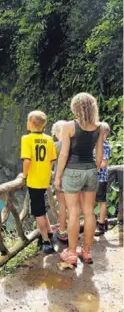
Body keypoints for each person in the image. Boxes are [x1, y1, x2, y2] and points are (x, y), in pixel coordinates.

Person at [54, 93, 104, 265]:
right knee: (89, 212)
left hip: (72, 172)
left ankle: (73, 253)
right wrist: (93, 169)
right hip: (90, 170)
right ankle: (87, 252)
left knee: (74, 212)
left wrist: (58, 176)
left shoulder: (69, 126)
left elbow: (64, 154)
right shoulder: (99, 127)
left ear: (75, 107)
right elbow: (99, 154)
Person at [18, 110, 57, 254]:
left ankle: (46, 241)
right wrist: (46, 174)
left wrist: (24, 176)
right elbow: (51, 161)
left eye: (27, 121)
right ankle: (50, 231)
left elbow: (27, 160)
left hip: (34, 180)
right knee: (42, 207)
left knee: (38, 212)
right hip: (44, 179)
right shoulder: (49, 139)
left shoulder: (26, 139)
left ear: (31, 123)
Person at [51, 120, 68, 242]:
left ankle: (62, 230)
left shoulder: (56, 146)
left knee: (62, 205)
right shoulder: (74, 143)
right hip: (75, 178)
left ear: (57, 132)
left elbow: (49, 164)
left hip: (61, 179)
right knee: (73, 207)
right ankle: (73, 230)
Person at [95, 122, 111, 236]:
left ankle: (101, 223)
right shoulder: (95, 145)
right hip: (93, 178)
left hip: (101, 178)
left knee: (101, 201)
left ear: (105, 134)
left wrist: (92, 167)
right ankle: (99, 221)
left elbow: (104, 163)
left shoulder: (105, 145)